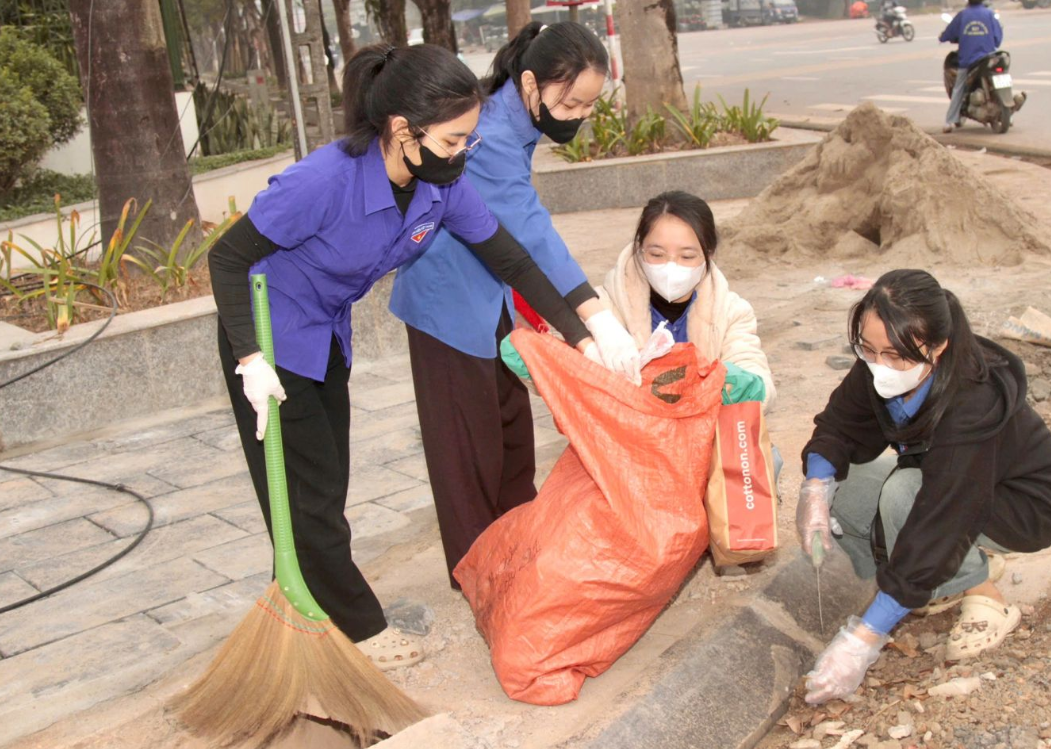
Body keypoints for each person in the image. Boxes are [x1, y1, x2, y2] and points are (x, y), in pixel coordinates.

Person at [208, 43, 630, 671]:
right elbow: (226, 257)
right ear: (404, 130)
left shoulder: (438, 185)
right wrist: (248, 355)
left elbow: (512, 259)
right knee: (307, 496)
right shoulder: (323, 181)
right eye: (454, 139)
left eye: (468, 138)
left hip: (325, 334)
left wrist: (585, 334)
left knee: (323, 485)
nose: (464, 151)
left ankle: (312, 613)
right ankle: (361, 631)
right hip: (270, 338)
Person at [389, 22, 637, 588]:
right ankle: (478, 573)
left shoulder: (516, 120)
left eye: (588, 106)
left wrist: (580, 325)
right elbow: (530, 232)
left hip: (492, 300)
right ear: (530, 84)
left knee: (509, 435)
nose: (577, 116)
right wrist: (594, 316)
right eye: (569, 103)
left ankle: (518, 549)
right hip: (447, 304)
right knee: (466, 451)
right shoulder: (492, 133)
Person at [796, 269, 1051, 704]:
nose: (879, 366)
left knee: (904, 495)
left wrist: (863, 640)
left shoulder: (973, 400)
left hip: (1024, 504)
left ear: (938, 347)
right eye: (868, 349)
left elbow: (942, 518)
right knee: (846, 491)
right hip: (950, 483)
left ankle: (985, 597)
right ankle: (950, 574)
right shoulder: (880, 364)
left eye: (896, 356)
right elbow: (840, 426)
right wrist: (816, 485)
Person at [595, 191, 776, 411]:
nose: (671, 266)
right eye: (657, 255)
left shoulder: (732, 312)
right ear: (640, 249)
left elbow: (752, 368)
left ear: (708, 254)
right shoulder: (601, 308)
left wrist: (746, 386)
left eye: (687, 256)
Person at [939, 0, 1003, 133]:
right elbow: (998, 38)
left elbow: (949, 33)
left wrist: (943, 37)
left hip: (968, 61)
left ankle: (949, 121)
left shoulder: (963, 15)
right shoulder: (989, 14)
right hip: (989, 59)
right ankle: (1008, 115)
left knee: (958, 88)